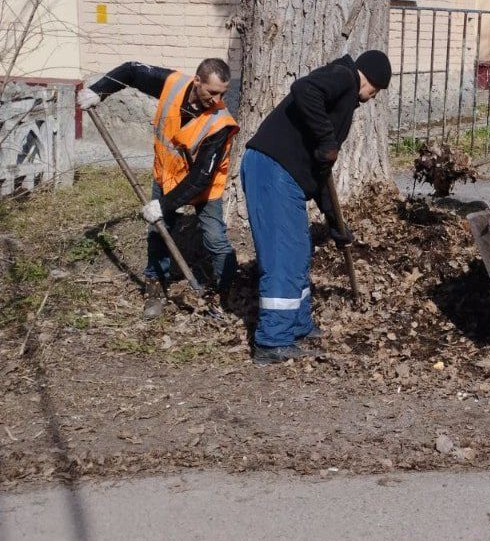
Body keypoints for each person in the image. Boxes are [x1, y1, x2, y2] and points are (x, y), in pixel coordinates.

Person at [241, 50, 392, 365]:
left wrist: (335, 223)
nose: (371, 98)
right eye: (375, 93)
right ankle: (272, 341)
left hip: (289, 177)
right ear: (373, 83)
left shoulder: (343, 100)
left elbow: (322, 173)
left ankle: (297, 325)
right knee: (283, 254)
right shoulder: (344, 76)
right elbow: (304, 89)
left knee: (298, 251)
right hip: (272, 169)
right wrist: (327, 140)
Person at [77, 59, 239, 319]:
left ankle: (224, 296)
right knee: (157, 233)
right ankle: (154, 291)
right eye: (212, 91)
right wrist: (100, 90)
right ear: (197, 81)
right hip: (167, 175)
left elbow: (200, 179)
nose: (217, 99)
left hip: (204, 186)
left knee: (216, 240)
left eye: (223, 93)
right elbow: (131, 70)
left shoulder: (220, 124)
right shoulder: (172, 85)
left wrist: (162, 206)